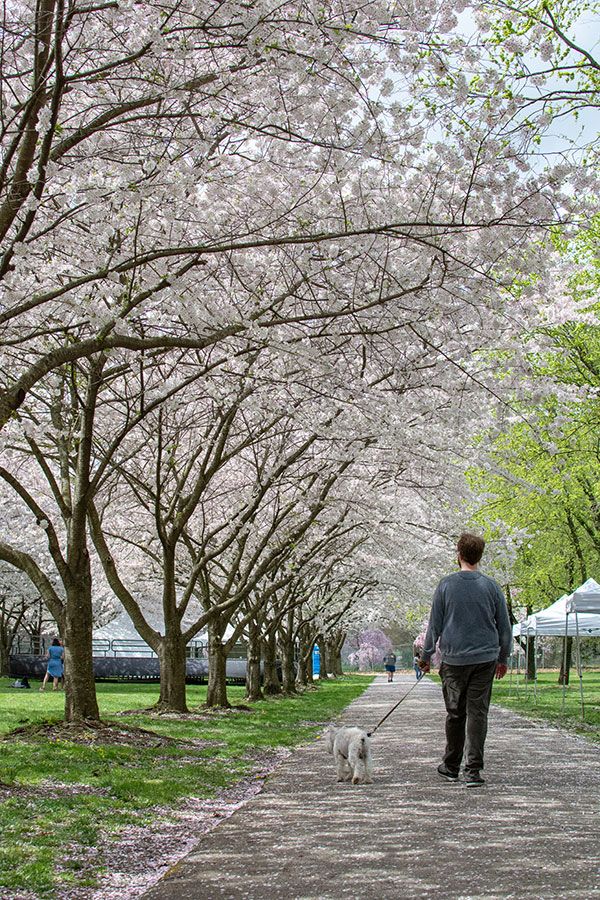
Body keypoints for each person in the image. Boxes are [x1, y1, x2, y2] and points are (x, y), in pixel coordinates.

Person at [419, 532, 512, 787]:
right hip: (485, 659)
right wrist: (503, 657)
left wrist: (426, 656)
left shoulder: (446, 585)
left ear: (458, 554)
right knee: (478, 714)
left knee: (455, 714)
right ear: (479, 556)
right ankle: (473, 771)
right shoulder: (491, 586)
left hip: (454, 660)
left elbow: (434, 625)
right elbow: (505, 627)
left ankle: (450, 766)